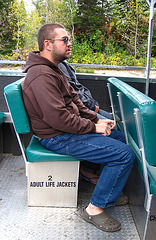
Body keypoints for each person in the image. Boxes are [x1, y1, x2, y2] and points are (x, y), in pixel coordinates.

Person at [21, 23, 135, 232]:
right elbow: (58, 119)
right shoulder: (41, 75)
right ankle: (94, 209)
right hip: (56, 136)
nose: (69, 43)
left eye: (69, 39)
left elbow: (75, 101)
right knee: (124, 154)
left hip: (65, 129)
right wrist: (93, 128)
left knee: (118, 138)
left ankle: (105, 185)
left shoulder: (53, 69)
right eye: (64, 40)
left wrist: (96, 119)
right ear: (48, 44)